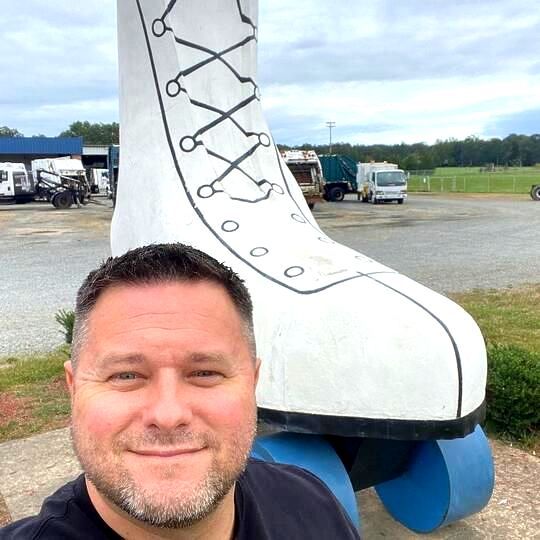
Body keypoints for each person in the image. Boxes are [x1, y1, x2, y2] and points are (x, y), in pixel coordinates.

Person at [1, 243, 360, 539]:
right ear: (73, 389)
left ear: (252, 384)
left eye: (205, 373)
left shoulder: (311, 504)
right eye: (126, 375)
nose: (168, 415)